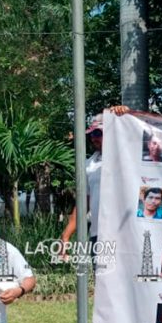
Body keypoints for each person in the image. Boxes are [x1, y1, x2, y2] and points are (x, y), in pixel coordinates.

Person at [58, 106, 130, 249]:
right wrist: (65, 235)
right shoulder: (89, 164)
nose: (93, 138)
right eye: (91, 134)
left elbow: (136, 134)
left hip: (126, 234)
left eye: (98, 133)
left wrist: (126, 113)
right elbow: (83, 203)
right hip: (98, 235)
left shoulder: (126, 158)